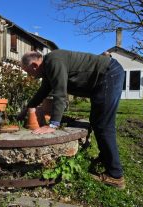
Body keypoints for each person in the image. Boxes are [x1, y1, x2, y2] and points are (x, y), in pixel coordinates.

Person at [19, 49, 126, 189]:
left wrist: (53, 124)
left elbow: (60, 93)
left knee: (104, 125)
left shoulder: (53, 61)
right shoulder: (48, 68)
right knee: (97, 121)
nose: (30, 76)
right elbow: (43, 91)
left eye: (28, 72)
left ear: (34, 65)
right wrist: (26, 109)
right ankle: (107, 158)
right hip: (104, 77)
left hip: (108, 74)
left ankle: (115, 175)